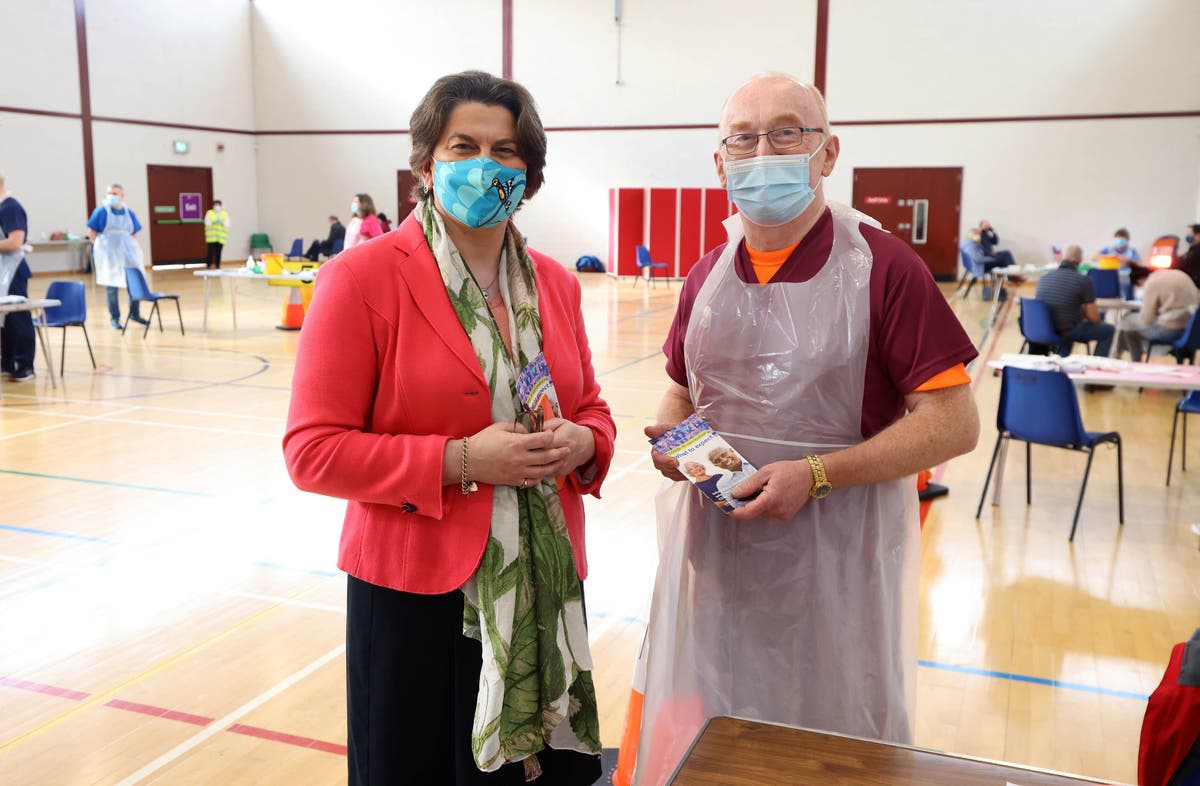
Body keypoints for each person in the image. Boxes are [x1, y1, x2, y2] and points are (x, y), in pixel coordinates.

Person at [632, 73, 980, 784]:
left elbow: (953, 422)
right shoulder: (707, 276)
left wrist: (819, 473)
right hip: (722, 563)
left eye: (787, 131)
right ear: (720, 162)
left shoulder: (882, 267)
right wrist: (674, 438)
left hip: (838, 565)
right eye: (743, 138)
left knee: (837, 740)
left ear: (828, 152)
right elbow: (678, 389)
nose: (764, 152)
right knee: (726, 735)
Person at [283, 70, 614, 786]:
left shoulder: (554, 283)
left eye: (506, 151)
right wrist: (464, 459)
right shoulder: (361, 278)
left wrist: (585, 441)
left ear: (529, 175)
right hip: (417, 593)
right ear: (427, 165)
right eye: (464, 146)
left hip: (545, 581)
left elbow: (591, 406)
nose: (485, 165)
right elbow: (313, 452)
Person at [1035, 244, 1115, 357]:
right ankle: (1097, 364)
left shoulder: (1044, 278)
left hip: (1044, 328)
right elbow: (1094, 318)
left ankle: (1063, 359)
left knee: (1067, 324)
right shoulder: (1083, 280)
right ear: (1080, 260)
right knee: (1108, 330)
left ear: (1063, 258)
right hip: (1067, 330)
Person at [1115, 256, 1200, 361]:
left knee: (1128, 327)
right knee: (1129, 323)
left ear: (1140, 281)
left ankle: (1133, 362)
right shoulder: (1179, 274)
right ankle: (1117, 353)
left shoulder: (1152, 283)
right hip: (1193, 329)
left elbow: (1147, 319)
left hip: (1172, 329)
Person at [87, 183, 147, 329]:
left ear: (122, 196)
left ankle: (134, 313)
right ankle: (115, 317)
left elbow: (134, 232)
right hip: (109, 255)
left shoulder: (129, 212)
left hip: (127, 253)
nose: (111, 196)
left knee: (134, 282)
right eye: (109, 193)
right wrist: (101, 249)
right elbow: (91, 232)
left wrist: (129, 247)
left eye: (114, 193)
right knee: (112, 286)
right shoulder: (101, 211)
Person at [0, 171, 36, 381]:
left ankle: (25, 364)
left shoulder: (10, 207)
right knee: (4, 320)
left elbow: (15, 241)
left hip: (13, 271)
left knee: (17, 317)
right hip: (2, 270)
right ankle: (7, 362)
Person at [203, 199, 229, 269]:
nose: (217, 207)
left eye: (218, 205)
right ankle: (209, 265)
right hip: (211, 237)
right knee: (210, 252)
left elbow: (227, 224)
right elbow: (207, 223)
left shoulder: (224, 214)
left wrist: (222, 223)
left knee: (219, 252)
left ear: (221, 206)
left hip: (221, 237)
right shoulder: (209, 213)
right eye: (215, 205)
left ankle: (217, 266)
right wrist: (214, 222)